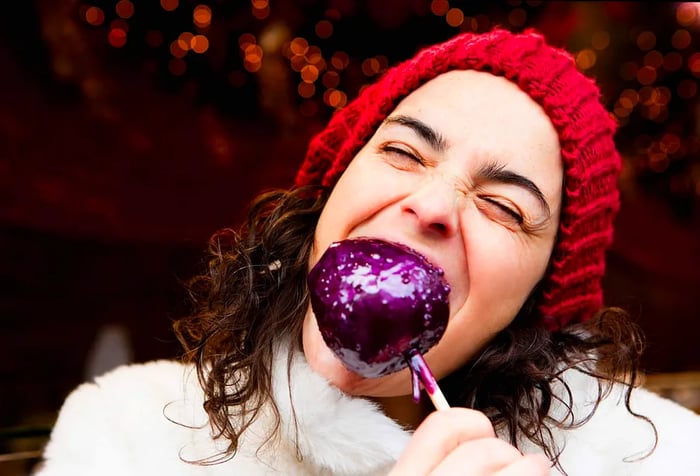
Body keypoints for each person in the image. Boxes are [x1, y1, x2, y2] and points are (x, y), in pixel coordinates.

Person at [35, 28, 700, 476]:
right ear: (327, 200)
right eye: (404, 152)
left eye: (503, 206)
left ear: (534, 304)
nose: (434, 205)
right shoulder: (128, 435)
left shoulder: (653, 458)